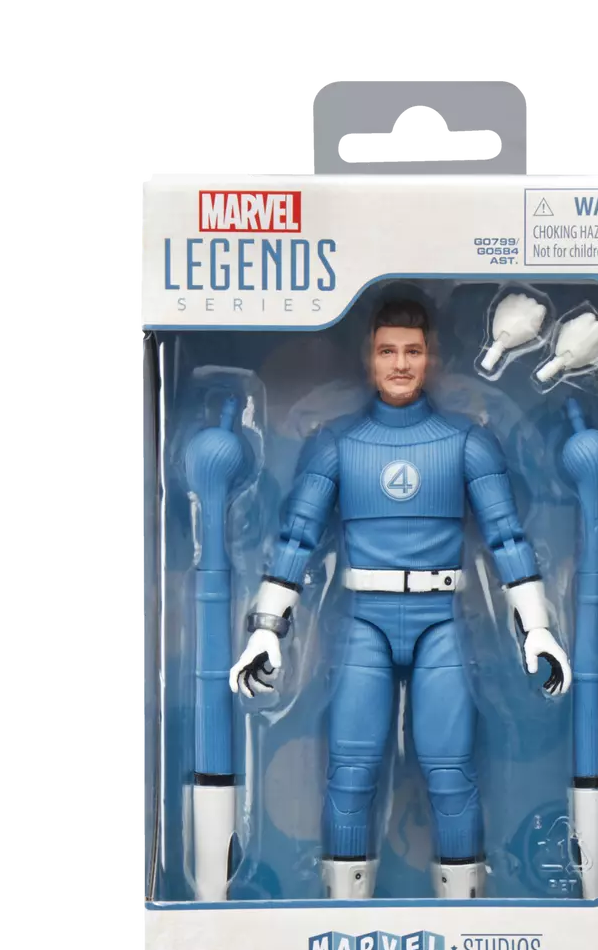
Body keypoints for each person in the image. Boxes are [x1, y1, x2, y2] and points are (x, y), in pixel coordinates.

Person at [230, 298, 571, 899]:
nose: (400, 364)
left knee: (451, 771)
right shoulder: (337, 443)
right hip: (364, 621)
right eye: (388, 350)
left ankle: (464, 915)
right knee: (351, 772)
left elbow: (507, 538)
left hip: (442, 621)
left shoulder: (467, 442)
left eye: (412, 351)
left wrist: (537, 627)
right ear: (369, 357)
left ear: (430, 357)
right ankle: (342, 914)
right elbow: (296, 538)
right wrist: (266, 627)